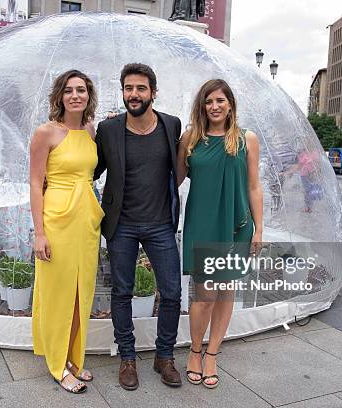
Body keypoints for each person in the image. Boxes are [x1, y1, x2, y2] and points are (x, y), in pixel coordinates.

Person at [94, 63, 183, 390]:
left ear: (152, 93)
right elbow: (92, 169)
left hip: (161, 225)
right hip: (122, 225)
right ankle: (127, 358)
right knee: (121, 292)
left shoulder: (171, 126)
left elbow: (181, 166)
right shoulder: (109, 130)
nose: (134, 94)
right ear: (123, 92)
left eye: (141, 89)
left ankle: (165, 356)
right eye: (129, 88)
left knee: (172, 292)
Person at [177, 79, 263, 389]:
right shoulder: (191, 139)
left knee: (227, 291)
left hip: (237, 224)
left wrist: (259, 228)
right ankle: (195, 350)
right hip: (202, 223)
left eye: (219, 100)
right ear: (202, 106)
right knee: (205, 297)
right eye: (208, 101)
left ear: (230, 104)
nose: (214, 106)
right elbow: (172, 181)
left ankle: (212, 353)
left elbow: (254, 186)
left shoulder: (246, 139)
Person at [30, 70, 104, 394]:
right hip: (56, 218)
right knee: (58, 293)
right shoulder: (46, 133)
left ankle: (74, 358)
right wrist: (39, 233)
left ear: (89, 96)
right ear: (60, 95)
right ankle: (58, 365)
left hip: (86, 220)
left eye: (82, 90)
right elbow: (35, 184)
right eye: (70, 90)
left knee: (80, 293)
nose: (76, 95)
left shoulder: (90, 131)